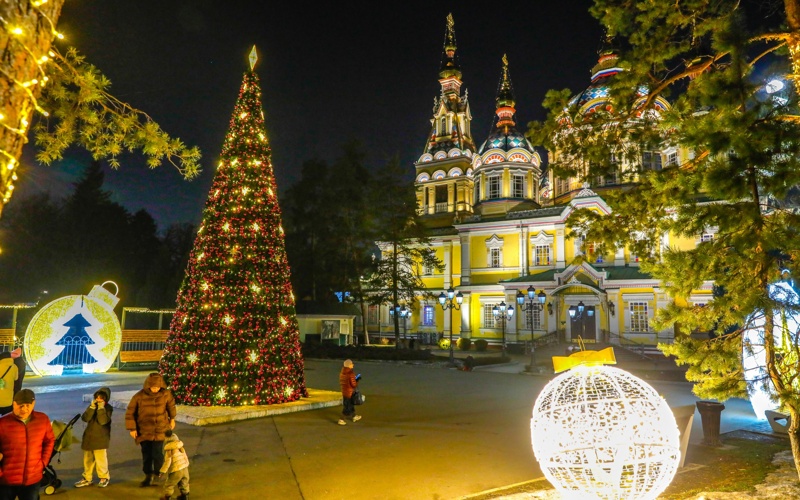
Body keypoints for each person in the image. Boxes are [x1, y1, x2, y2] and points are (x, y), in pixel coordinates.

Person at [0, 389, 55, 500]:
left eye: (28, 405)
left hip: (32, 479)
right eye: (21, 405)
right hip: (6, 480)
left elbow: (49, 440)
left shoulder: (42, 419)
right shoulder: (3, 423)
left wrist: (43, 463)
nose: (25, 409)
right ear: (14, 404)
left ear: (33, 404)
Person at [125, 373, 176, 487]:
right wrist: (132, 428)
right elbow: (130, 413)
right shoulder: (139, 396)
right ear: (148, 386)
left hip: (160, 429)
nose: (155, 389)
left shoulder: (166, 394)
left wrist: (172, 419)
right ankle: (148, 475)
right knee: (147, 454)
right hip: (144, 430)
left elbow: (171, 407)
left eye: (157, 387)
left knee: (157, 453)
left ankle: (158, 474)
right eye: (153, 387)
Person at [74, 387, 112, 488]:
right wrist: (91, 407)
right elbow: (85, 418)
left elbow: (103, 421)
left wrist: (101, 408)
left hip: (101, 438)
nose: (98, 400)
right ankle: (87, 478)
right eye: (97, 398)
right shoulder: (92, 407)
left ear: (106, 399)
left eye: (101, 398)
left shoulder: (108, 408)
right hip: (89, 437)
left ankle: (104, 477)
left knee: (101, 460)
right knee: (88, 459)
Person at [158, 429, 190, 500]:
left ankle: (167, 497)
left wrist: (162, 471)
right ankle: (185, 496)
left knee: (169, 484)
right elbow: (185, 457)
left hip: (176, 470)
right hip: (184, 468)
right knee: (184, 483)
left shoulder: (169, 450)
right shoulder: (180, 448)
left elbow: (167, 462)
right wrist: (186, 464)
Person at [338, 359, 361, 426]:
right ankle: (341, 419)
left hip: (345, 391)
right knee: (347, 407)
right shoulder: (350, 373)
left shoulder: (342, 372)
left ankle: (354, 416)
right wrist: (357, 380)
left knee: (350, 405)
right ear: (348, 365)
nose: (353, 365)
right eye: (351, 364)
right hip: (350, 392)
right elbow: (353, 385)